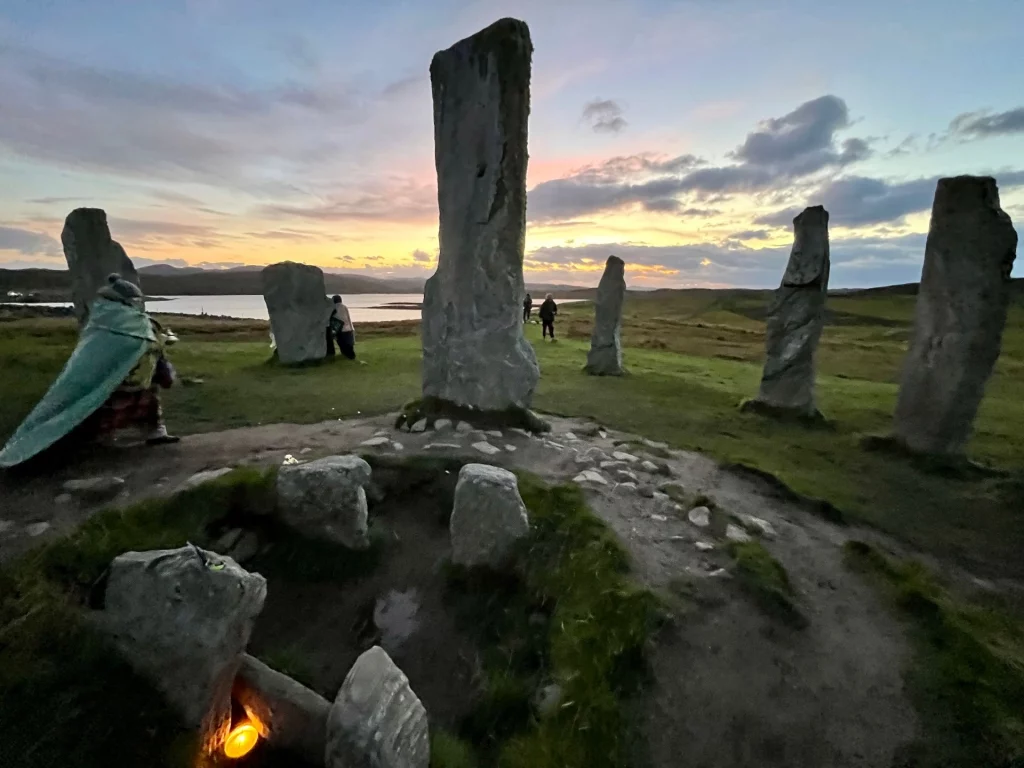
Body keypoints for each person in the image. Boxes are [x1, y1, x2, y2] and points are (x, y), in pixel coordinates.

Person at [0, 273, 178, 468]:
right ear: (122, 300)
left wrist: (158, 356)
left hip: (140, 377)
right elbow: (104, 353)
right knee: (100, 403)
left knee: (148, 397)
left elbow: (150, 345)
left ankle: (154, 432)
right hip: (113, 381)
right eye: (133, 299)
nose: (136, 303)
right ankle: (93, 441)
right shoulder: (110, 321)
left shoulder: (117, 320)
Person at [326, 294, 356, 360]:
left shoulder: (334, 308)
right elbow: (348, 317)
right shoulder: (344, 307)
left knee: (342, 344)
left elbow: (330, 318)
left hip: (340, 329)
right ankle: (351, 356)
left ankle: (347, 356)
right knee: (349, 345)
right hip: (348, 328)